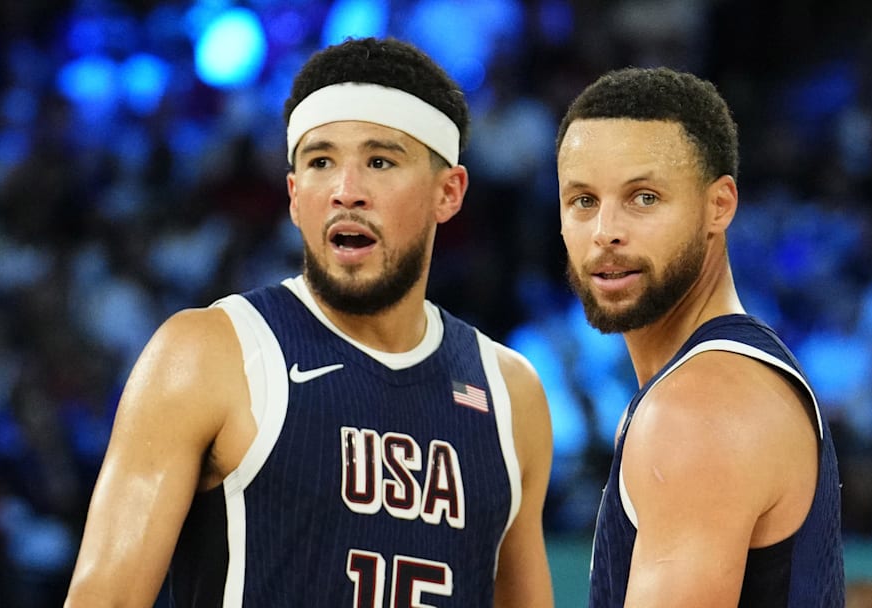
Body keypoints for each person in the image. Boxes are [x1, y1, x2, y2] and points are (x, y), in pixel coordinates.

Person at [63, 37, 554, 608]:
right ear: (296, 198)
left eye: (380, 161)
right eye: (321, 162)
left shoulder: (510, 394)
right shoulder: (209, 353)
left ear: (449, 192)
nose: (347, 191)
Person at [556, 67, 844, 606]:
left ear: (720, 205)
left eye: (644, 197)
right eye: (583, 200)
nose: (605, 231)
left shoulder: (699, 409)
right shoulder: (722, 380)